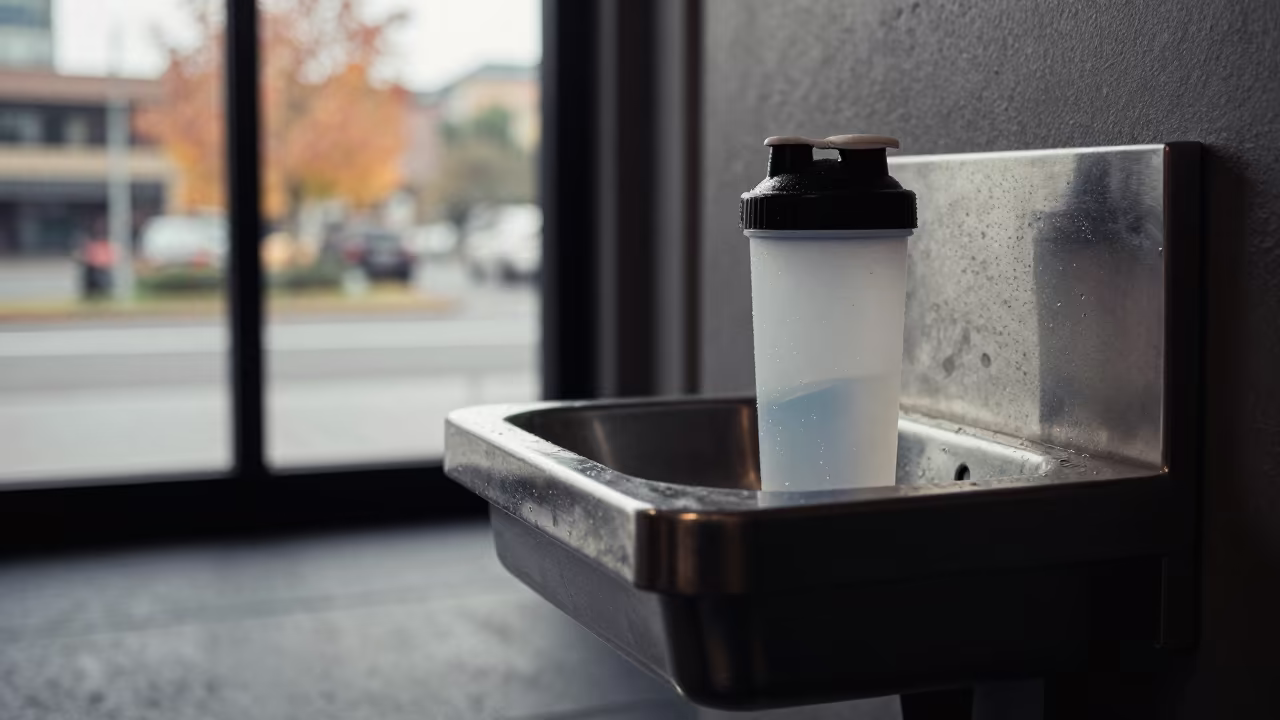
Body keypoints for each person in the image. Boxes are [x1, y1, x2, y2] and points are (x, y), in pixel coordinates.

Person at [77, 219, 113, 299]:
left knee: (105, 290)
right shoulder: (89, 238)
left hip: (103, 268)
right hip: (92, 268)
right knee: (91, 291)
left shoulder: (107, 238)